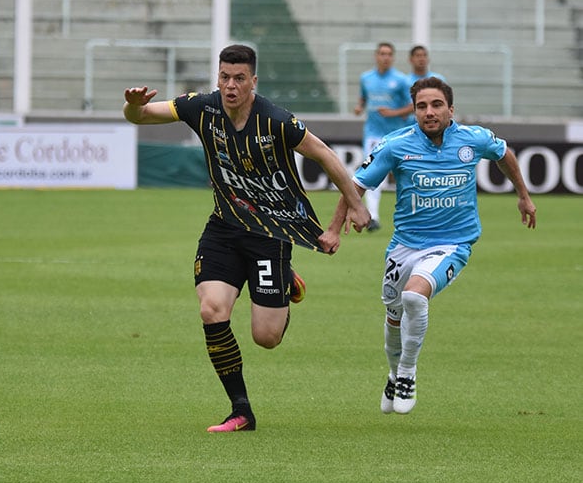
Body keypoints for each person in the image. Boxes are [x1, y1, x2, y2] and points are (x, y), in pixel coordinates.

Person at [123, 44, 370, 433]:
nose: (230, 86)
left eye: (239, 79)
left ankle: (285, 278)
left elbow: (324, 154)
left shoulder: (275, 120)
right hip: (223, 229)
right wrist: (133, 106)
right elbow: (140, 117)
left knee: (266, 338)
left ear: (253, 81)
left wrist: (354, 205)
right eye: (224, 77)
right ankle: (241, 410)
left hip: (270, 235)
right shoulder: (200, 107)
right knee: (212, 310)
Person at [326, 77, 536, 415]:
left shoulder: (473, 139)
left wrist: (524, 196)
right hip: (404, 246)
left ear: (451, 109)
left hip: (453, 243)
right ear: (414, 111)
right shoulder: (396, 144)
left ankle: (408, 373)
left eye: (436, 105)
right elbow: (356, 184)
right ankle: (394, 375)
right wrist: (335, 228)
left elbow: (504, 153)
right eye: (422, 106)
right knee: (394, 314)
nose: (429, 112)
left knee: (413, 296)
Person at [353, 43, 413, 232]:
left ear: (393, 57)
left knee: (402, 174)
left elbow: (412, 105)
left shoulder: (401, 80)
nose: (385, 57)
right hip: (373, 134)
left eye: (388, 54)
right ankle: (373, 216)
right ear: (376, 56)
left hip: (396, 134)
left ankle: (413, 214)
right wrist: (360, 107)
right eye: (382, 53)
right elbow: (363, 97)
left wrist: (394, 113)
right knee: (373, 171)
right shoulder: (366, 78)